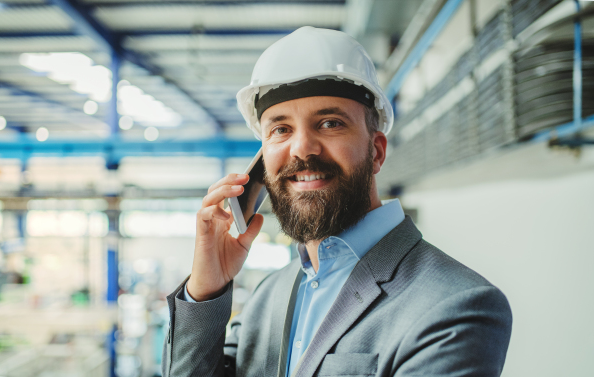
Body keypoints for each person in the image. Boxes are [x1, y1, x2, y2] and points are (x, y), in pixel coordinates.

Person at [162, 27, 512, 377]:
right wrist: (205, 291)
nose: (301, 148)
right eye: (280, 129)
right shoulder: (270, 294)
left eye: (330, 123)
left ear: (376, 152)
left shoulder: (455, 306)